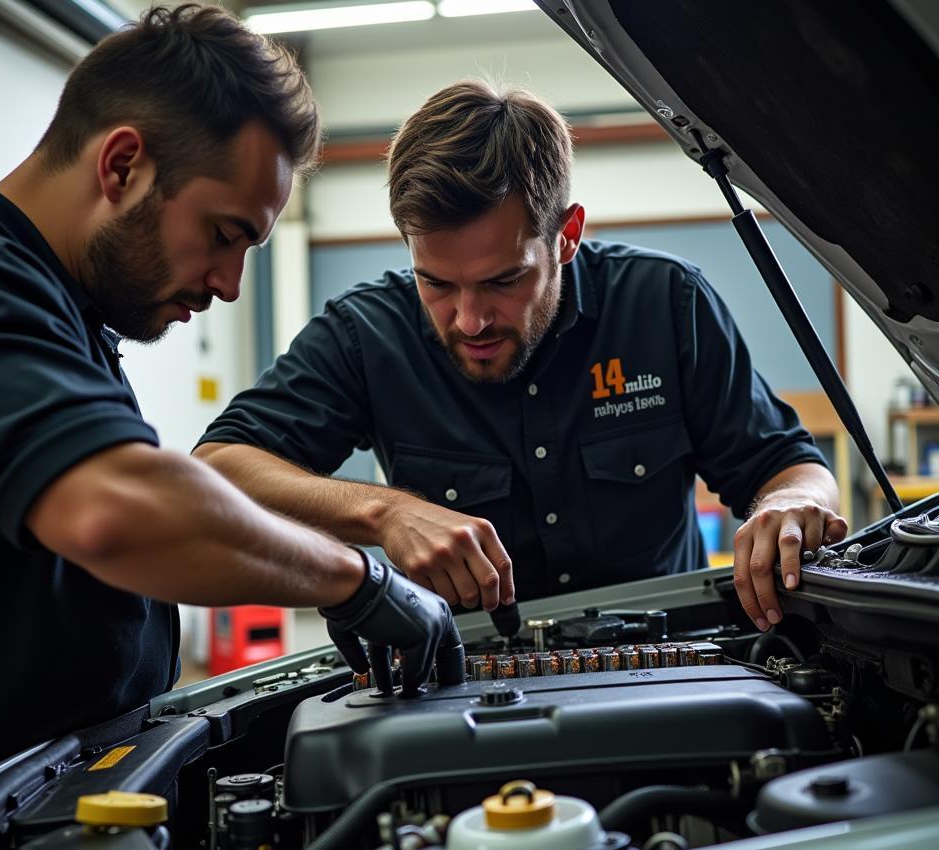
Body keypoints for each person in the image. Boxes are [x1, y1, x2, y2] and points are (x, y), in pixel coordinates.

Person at [0, 5, 456, 813]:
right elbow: (117, 510)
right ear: (123, 164)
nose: (231, 283)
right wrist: (358, 580)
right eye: (223, 234)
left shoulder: (60, 313)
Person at [195, 80, 847, 629]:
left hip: (663, 671)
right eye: (436, 284)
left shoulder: (667, 305)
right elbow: (218, 469)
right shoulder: (366, 334)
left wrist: (784, 507)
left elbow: (789, 466)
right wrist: (383, 511)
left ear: (566, 236)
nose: (470, 318)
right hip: (464, 689)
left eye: (503, 281)